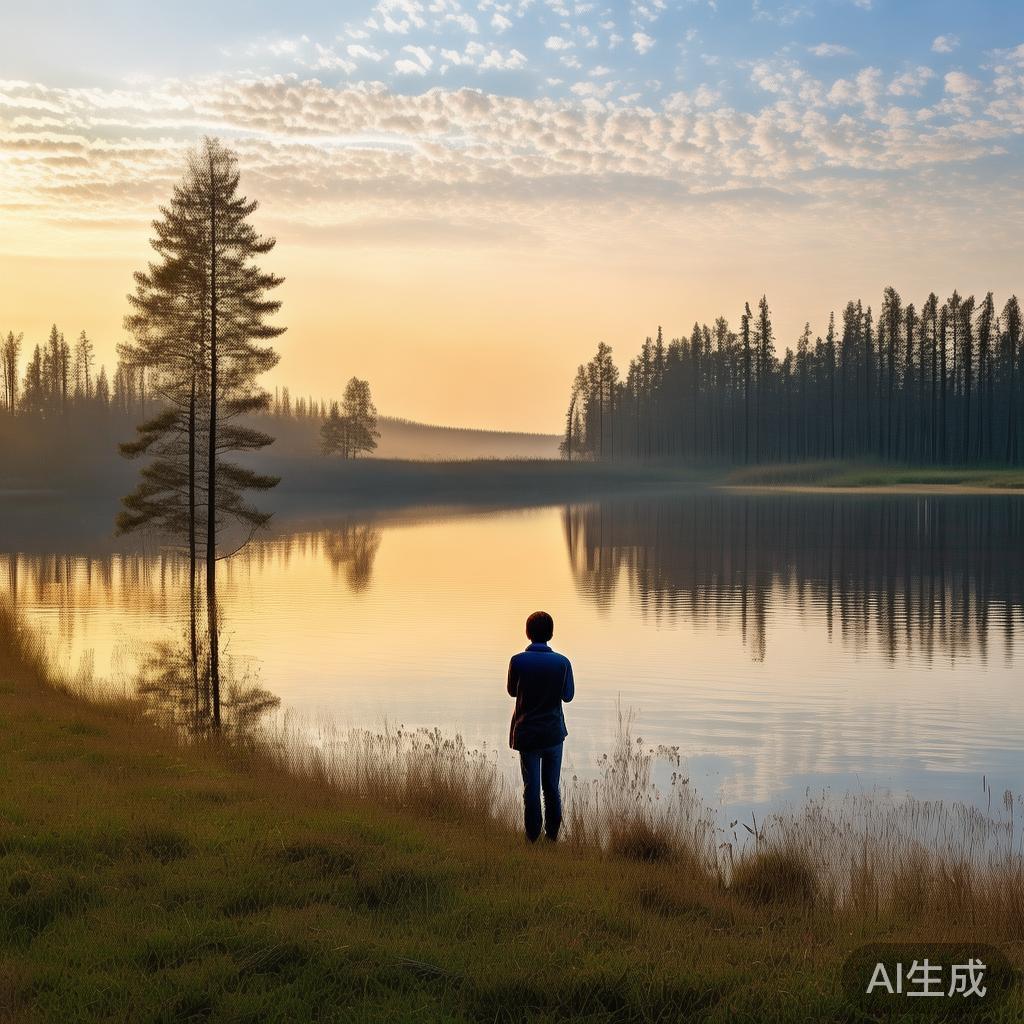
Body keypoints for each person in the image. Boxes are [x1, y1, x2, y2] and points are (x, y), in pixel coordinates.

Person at [506, 610, 575, 843]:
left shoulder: (517, 661)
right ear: (551, 634)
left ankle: (532, 836)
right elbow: (568, 696)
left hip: (527, 733)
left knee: (531, 788)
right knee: (551, 788)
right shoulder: (563, 663)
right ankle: (552, 836)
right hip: (554, 733)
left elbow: (512, 691)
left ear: (527, 633)